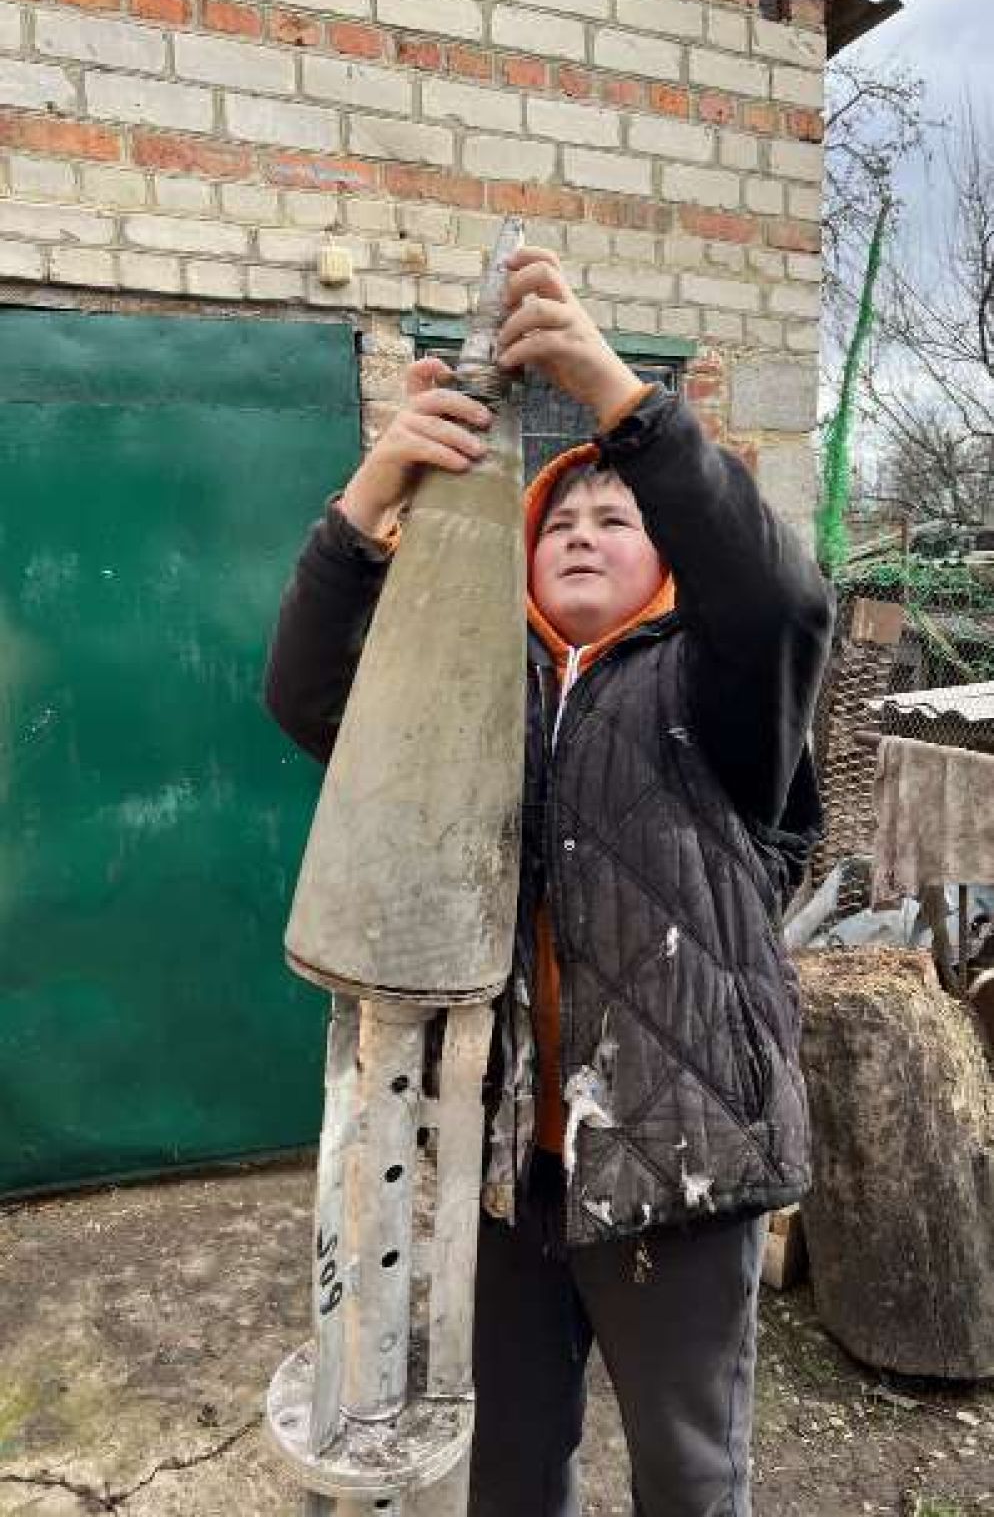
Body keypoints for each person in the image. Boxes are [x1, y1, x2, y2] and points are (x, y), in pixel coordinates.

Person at [264, 247, 834, 1517]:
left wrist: (624, 404)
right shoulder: (472, 703)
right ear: (518, 573)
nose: (579, 529)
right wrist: (373, 494)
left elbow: (785, 601)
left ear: (670, 562)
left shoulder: (718, 695)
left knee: (690, 1481)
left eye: (613, 518)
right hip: (499, 1173)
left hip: (682, 1167)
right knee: (512, 1476)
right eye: (556, 524)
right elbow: (306, 695)